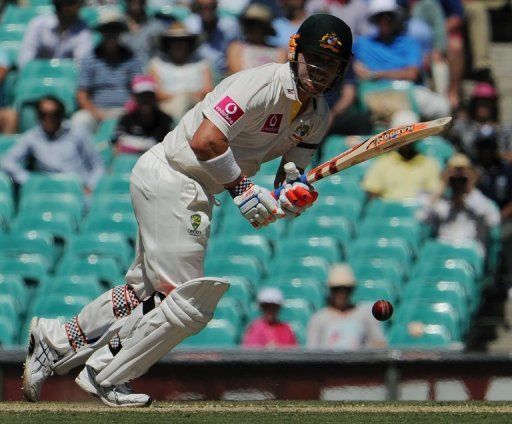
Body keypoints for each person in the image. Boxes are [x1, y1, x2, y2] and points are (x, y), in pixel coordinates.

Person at [23, 13, 353, 407]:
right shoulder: (262, 83)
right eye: (314, 58)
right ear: (294, 51)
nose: (319, 70)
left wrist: (292, 195)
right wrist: (244, 189)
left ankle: (55, 340)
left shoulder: (317, 116)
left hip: (196, 187)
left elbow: (290, 172)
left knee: (141, 294)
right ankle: (107, 373)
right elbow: (205, 141)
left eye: (330, 63)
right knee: (187, 300)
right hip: (173, 173)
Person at [353, 0, 450, 122]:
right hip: (375, 95)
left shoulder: (409, 42)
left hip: (408, 93)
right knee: (405, 121)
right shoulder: (363, 44)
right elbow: (351, 65)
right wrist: (355, 69)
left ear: (396, 18)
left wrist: (375, 74)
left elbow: (411, 74)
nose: (385, 20)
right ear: (374, 19)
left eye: (389, 16)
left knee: (443, 107)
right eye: (380, 16)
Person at [0, 96, 104, 193]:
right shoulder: (32, 137)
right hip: (48, 190)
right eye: (43, 114)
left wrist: (91, 186)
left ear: (62, 115)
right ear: (37, 116)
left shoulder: (78, 132)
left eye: (55, 114)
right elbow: (7, 161)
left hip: (78, 187)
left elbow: (97, 164)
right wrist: (29, 179)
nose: (48, 119)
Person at [72, 10, 143, 134]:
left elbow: (138, 89)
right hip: (96, 111)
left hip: (125, 111)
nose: (111, 34)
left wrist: (128, 110)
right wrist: (96, 113)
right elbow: (81, 94)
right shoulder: (89, 58)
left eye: (114, 30)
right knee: (79, 121)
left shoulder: (131, 58)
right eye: (107, 30)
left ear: (120, 32)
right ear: (101, 32)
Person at [418, 153, 500, 254]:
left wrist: (470, 187)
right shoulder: (442, 204)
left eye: (463, 175)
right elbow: (421, 218)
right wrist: (442, 185)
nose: (458, 180)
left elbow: (493, 221)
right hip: (443, 253)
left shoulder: (479, 201)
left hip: (469, 254)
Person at [362, 111, 441, 200]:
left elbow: (433, 195)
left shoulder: (429, 163)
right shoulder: (382, 164)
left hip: (419, 212)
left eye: (411, 135)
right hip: (390, 212)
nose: (406, 141)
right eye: (402, 137)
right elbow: (372, 195)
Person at [307, 264, 387, 350]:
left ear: (352, 290)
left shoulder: (366, 313)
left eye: (346, 289)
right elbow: (312, 352)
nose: (341, 293)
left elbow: (379, 345)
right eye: (336, 289)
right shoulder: (319, 319)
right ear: (330, 290)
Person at [148, 22, 214, 121]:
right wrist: (180, 96)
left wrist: (188, 97)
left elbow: (208, 90)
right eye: (174, 41)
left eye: (182, 41)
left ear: (188, 43)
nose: (179, 45)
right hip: (167, 109)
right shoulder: (157, 63)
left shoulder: (201, 62)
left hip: (197, 106)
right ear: (168, 43)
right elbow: (156, 93)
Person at [474, 136, 512, 283]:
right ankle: (483, 280)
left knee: (504, 236)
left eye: (489, 149)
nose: (486, 153)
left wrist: (499, 216)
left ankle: (507, 279)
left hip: (504, 218)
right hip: (477, 219)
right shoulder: (474, 170)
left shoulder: (506, 170)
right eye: (482, 149)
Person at [18, 0, 94, 68]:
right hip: (36, 76)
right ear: (65, 7)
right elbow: (25, 61)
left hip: (68, 79)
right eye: (76, 4)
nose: (80, 7)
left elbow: (83, 64)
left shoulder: (83, 29)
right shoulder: (38, 24)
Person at [450, 83, 512, 162]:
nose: (482, 107)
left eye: (487, 103)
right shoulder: (462, 127)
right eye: (479, 103)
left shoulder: (504, 129)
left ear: (493, 106)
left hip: (498, 169)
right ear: (473, 105)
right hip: (472, 168)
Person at [114, 75, 174, 155]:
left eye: (149, 95)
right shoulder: (126, 119)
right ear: (135, 97)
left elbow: (167, 147)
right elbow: (117, 146)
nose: (145, 100)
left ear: (154, 97)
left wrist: (133, 144)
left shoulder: (165, 120)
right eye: (141, 96)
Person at [185, 0, 240, 79]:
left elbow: (236, 51)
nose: (207, 10)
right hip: (198, 73)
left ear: (216, 6)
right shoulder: (189, 25)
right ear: (196, 7)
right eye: (201, 7)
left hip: (224, 73)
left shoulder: (230, 25)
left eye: (211, 6)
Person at [226, 3, 287, 74]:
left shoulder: (280, 52)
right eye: (249, 24)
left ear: (265, 27)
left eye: (257, 24)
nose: (252, 28)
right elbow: (237, 76)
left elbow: (279, 76)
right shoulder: (236, 48)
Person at [123, 0, 167, 66]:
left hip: (148, 73)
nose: (136, 2)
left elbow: (163, 55)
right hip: (122, 74)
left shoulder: (157, 27)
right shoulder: (117, 26)